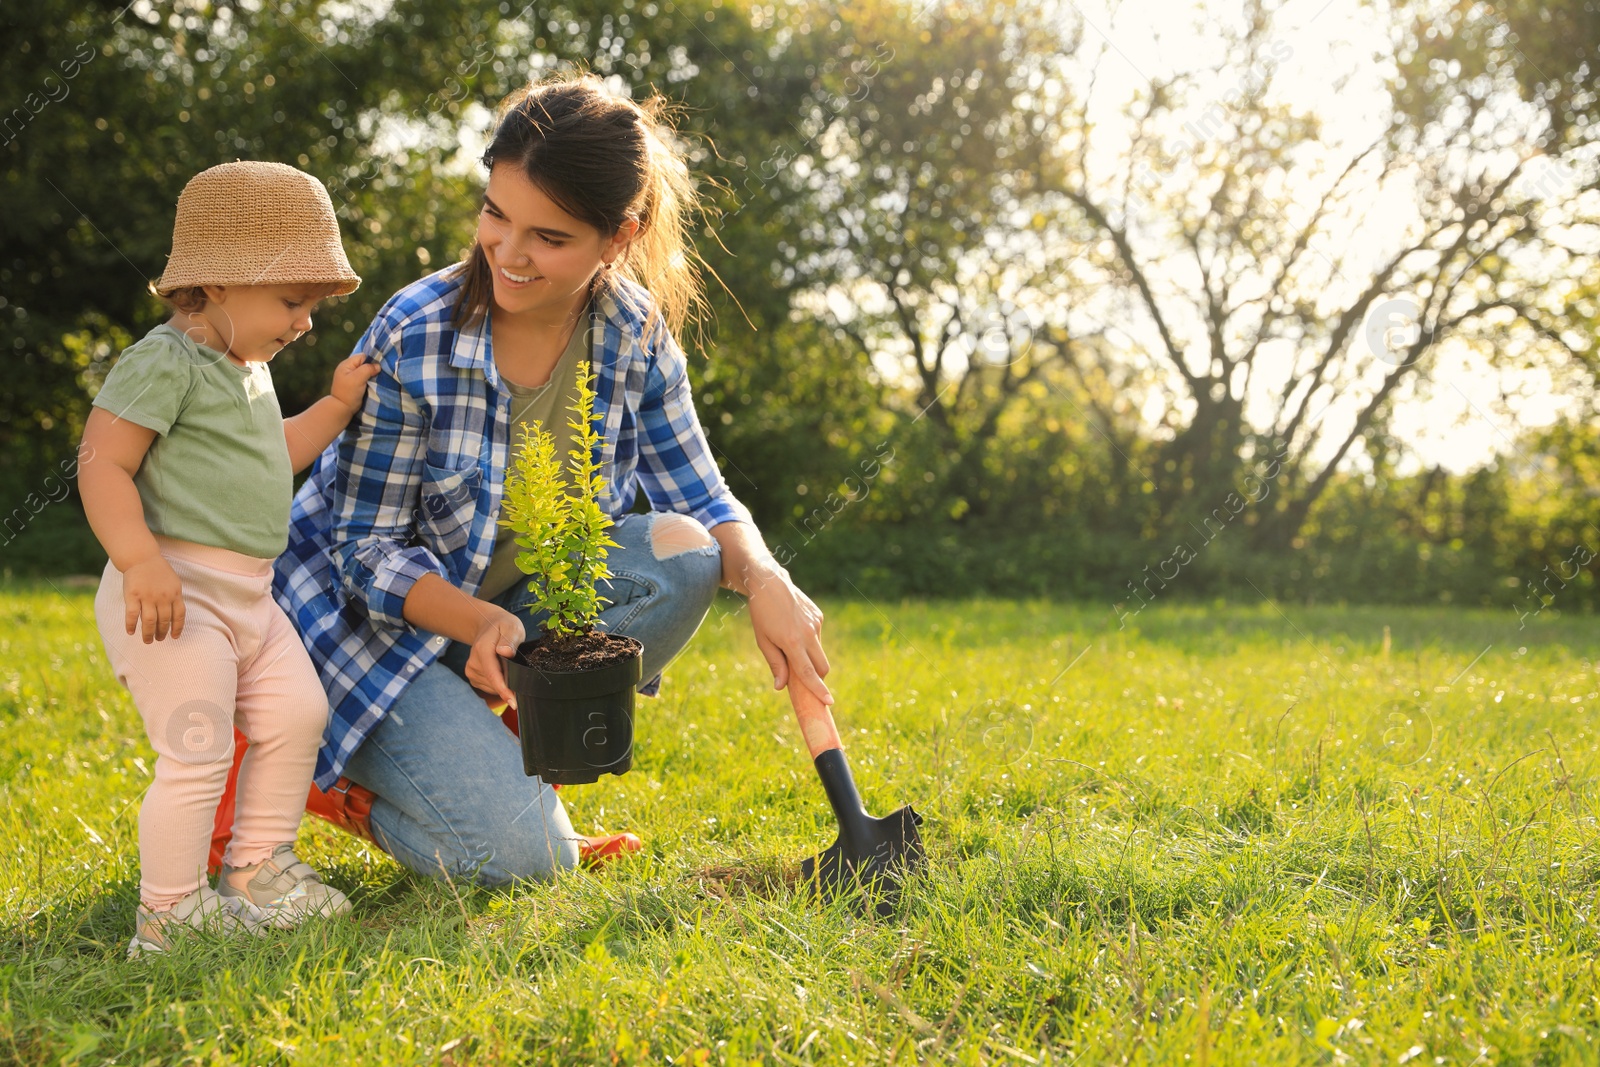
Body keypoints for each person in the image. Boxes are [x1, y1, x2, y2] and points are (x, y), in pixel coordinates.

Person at [270, 74, 834, 884]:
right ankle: (342, 781)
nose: (508, 252)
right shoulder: (418, 332)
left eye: (550, 236)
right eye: (496, 213)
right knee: (526, 864)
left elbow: (701, 499)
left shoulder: (633, 331)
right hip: (374, 632)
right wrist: (471, 623)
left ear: (620, 236)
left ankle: (495, 749)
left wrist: (767, 576)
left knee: (686, 555)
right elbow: (362, 552)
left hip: (508, 621)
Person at [79, 162, 380, 955]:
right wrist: (139, 559)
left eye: (312, 306)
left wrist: (338, 406)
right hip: (173, 591)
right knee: (199, 744)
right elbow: (102, 462)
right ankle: (168, 912)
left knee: (296, 713)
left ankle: (256, 869)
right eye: (293, 301)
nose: (306, 323)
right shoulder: (165, 361)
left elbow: (271, 456)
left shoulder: (248, 372)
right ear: (216, 284)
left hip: (251, 597)